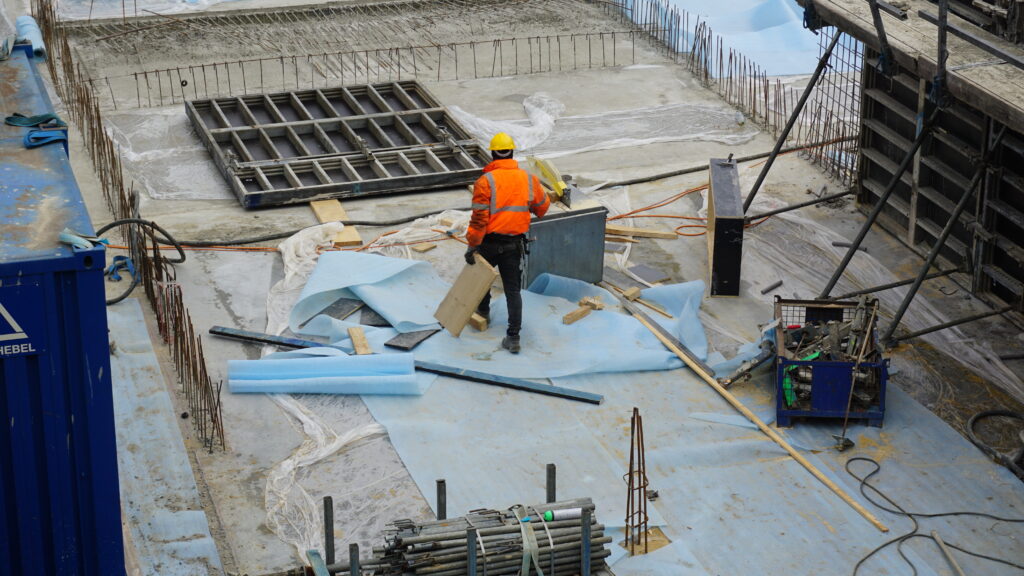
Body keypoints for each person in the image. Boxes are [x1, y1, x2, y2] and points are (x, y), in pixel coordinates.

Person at [464, 132, 550, 354]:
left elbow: (479, 220)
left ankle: (483, 313)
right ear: (512, 152)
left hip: (489, 242)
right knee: (513, 290)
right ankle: (513, 337)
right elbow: (542, 208)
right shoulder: (529, 179)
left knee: (482, 277)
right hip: (514, 245)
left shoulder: (485, 182)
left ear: (492, 154)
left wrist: (473, 245)